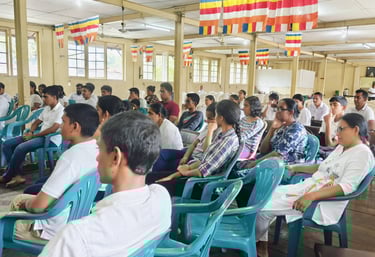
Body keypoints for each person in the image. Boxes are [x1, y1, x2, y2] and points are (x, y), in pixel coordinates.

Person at [39, 111, 171, 257]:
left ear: (115, 156)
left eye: (99, 148)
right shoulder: (162, 199)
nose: (97, 157)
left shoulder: (77, 237)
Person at [255, 113, 374, 257]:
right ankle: (259, 240)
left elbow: (346, 187)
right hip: (309, 188)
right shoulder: (342, 147)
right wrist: (295, 167)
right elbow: (322, 167)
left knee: (262, 208)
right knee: (265, 194)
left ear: (355, 130)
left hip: (321, 202)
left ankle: (259, 246)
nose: (337, 134)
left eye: (341, 129)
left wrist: (310, 196)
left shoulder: (362, 154)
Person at [7, 104, 99, 242]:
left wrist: (25, 204)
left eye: (64, 122)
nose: (61, 126)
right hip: (77, 217)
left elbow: (39, 207)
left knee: (13, 211)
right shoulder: (98, 150)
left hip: (52, 230)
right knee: (19, 198)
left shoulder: (71, 157)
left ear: (75, 126)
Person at [148, 100, 241, 196]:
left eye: (216, 115)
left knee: (154, 185)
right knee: (151, 177)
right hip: (193, 177)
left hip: (199, 185)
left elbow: (202, 172)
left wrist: (183, 173)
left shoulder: (228, 141)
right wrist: (180, 172)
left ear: (221, 118)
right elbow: (204, 160)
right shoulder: (223, 135)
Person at [0, 86, 64, 188]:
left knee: (20, 148)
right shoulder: (46, 109)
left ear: (54, 97)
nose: (43, 99)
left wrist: (34, 136)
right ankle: (17, 175)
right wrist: (31, 131)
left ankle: (8, 175)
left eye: (46, 97)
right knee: (7, 144)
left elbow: (53, 129)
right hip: (38, 136)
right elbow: (36, 122)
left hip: (50, 139)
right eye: (43, 96)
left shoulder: (61, 110)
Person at [152, 103, 219, 173]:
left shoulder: (217, 132)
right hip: (188, 152)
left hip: (195, 159)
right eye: (207, 118)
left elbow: (206, 151)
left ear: (219, 118)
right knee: (161, 154)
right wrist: (185, 156)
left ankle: (155, 177)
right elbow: (194, 144)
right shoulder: (206, 127)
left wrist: (210, 131)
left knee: (166, 165)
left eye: (211, 119)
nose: (207, 121)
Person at [247, 98, 307, 169]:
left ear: (291, 112)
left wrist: (254, 164)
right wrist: (272, 129)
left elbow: (278, 154)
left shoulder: (295, 129)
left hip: (284, 167)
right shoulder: (283, 126)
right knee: (238, 165)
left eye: (281, 109)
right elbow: (263, 150)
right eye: (277, 108)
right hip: (271, 161)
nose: (277, 112)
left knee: (240, 172)